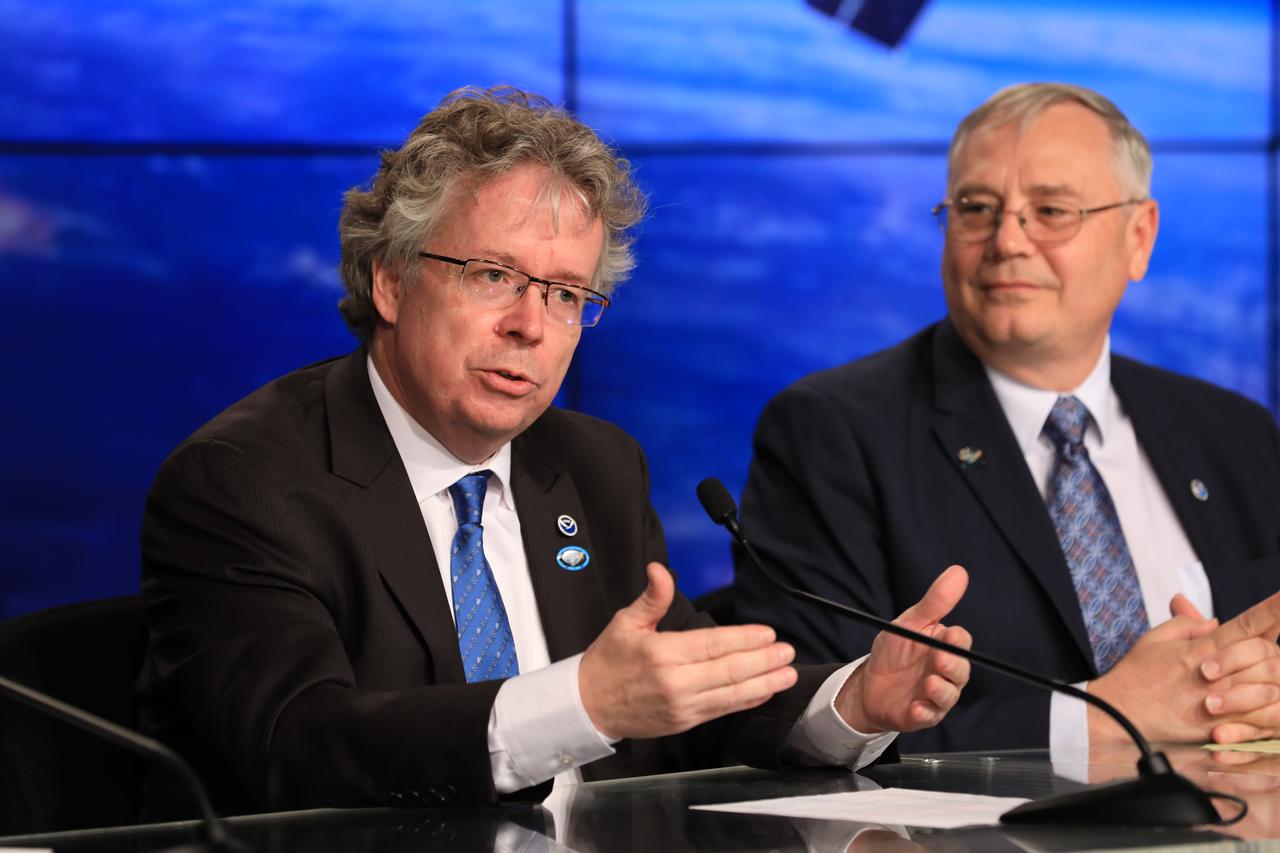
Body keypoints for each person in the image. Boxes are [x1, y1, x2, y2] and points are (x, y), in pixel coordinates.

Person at [138, 86, 972, 816]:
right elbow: (297, 745)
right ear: (390, 280)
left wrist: (852, 703)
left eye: (566, 294)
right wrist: (579, 702)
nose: (529, 326)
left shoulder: (594, 465)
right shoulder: (246, 481)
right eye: (491, 274)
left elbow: (681, 698)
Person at [735, 82, 1280, 758]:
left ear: (1140, 237)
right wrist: (1097, 721)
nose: (1007, 240)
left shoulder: (1236, 432)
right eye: (976, 208)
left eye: (1050, 210)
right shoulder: (833, 433)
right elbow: (799, 728)